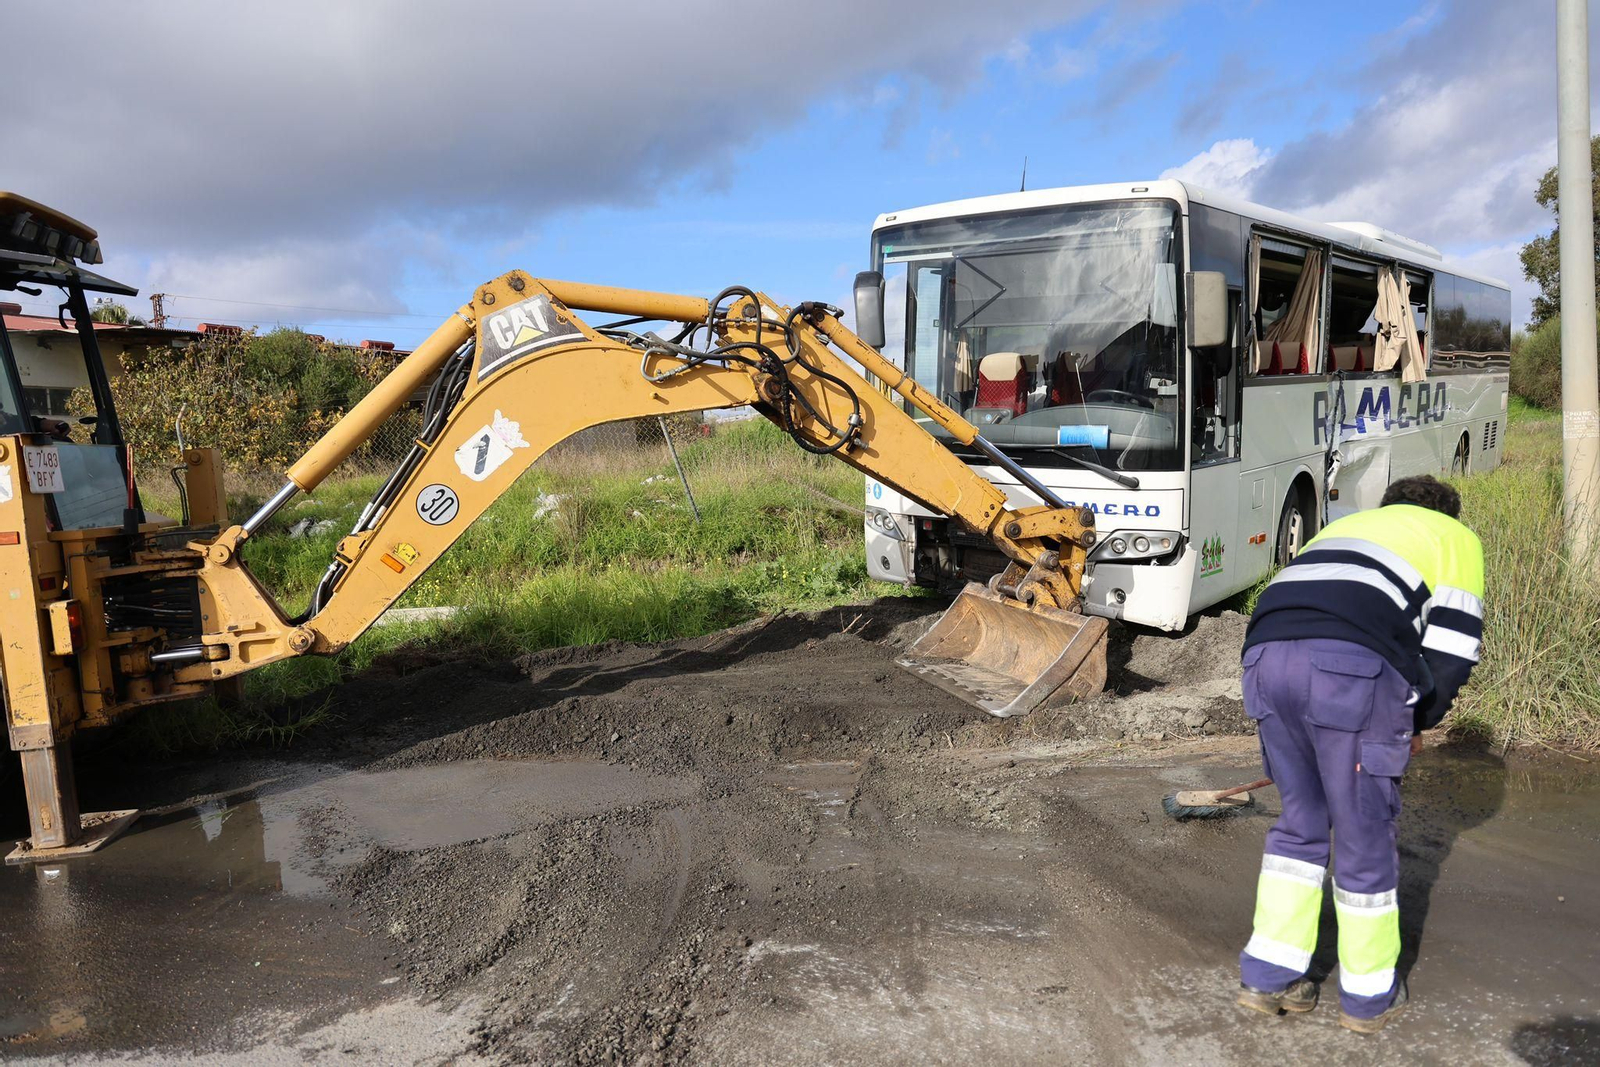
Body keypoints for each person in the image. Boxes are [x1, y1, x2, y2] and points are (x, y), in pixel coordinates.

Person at [1234, 474, 1484, 1033]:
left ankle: (1270, 978)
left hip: (1264, 660)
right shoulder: (1453, 538)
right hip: (1347, 671)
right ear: (1451, 515)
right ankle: (1369, 998)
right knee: (1362, 829)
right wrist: (1416, 720)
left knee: (1300, 824)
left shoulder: (1345, 528)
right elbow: (1451, 650)